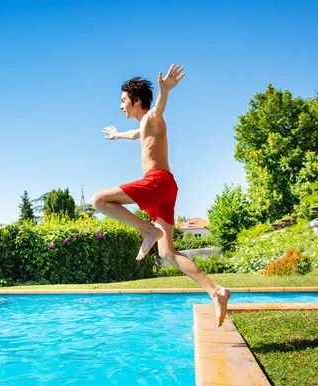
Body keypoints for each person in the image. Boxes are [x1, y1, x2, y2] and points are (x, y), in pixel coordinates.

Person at [90, 64, 230, 327]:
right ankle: (216, 291)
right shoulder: (144, 125)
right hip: (165, 190)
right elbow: (136, 134)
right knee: (167, 253)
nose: (120, 106)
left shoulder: (153, 116)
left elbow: (157, 110)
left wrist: (165, 91)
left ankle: (147, 231)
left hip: (157, 182)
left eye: (123, 101)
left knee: (98, 200)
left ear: (137, 100)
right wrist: (119, 135)